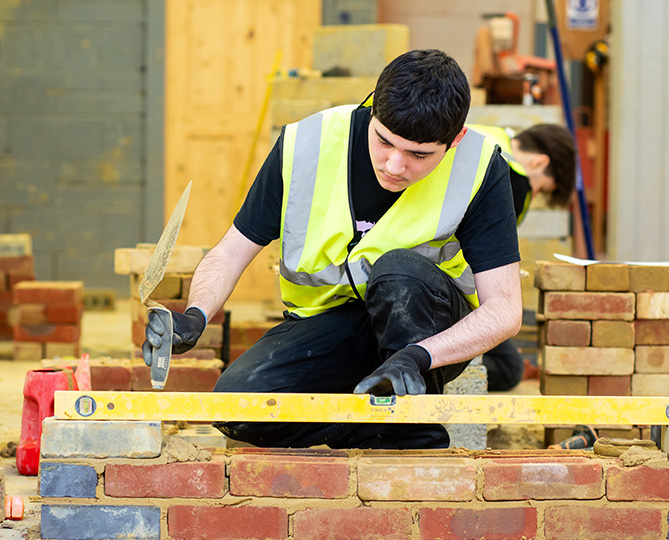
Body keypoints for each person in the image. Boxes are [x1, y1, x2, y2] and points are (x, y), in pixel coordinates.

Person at [143, 49, 522, 449]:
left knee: (399, 272)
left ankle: (411, 431)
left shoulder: (479, 167)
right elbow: (231, 250)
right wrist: (197, 314)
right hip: (332, 326)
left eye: (418, 155)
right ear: (373, 108)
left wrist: (419, 355)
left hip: (425, 336)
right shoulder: (306, 144)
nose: (394, 165)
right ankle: (372, 427)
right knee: (237, 406)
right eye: (384, 142)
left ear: (455, 139)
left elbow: (505, 309)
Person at [469, 123, 575, 391]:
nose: (533, 194)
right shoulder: (513, 178)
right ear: (539, 162)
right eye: (541, 189)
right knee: (509, 368)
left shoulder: (489, 136)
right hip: (442, 283)